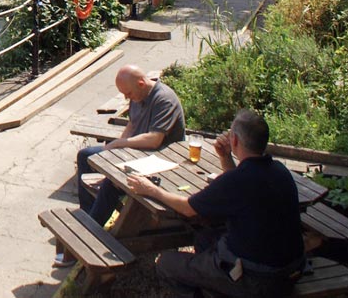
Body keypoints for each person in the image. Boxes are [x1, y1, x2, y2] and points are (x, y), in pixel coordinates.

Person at [127, 109, 305, 298]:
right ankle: (214, 284)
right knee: (204, 237)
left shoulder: (238, 180)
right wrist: (225, 157)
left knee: (166, 263)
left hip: (257, 279)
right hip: (292, 269)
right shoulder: (279, 170)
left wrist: (151, 189)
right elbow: (238, 188)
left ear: (234, 140)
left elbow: (188, 209)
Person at [56, 65, 185, 267]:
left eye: (129, 93)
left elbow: (154, 139)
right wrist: (114, 149)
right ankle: (88, 216)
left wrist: (119, 145)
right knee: (86, 156)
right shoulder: (138, 95)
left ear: (141, 84)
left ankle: (89, 235)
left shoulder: (164, 99)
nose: (127, 99)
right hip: (135, 153)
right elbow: (132, 125)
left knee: (111, 184)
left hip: (158, 160)